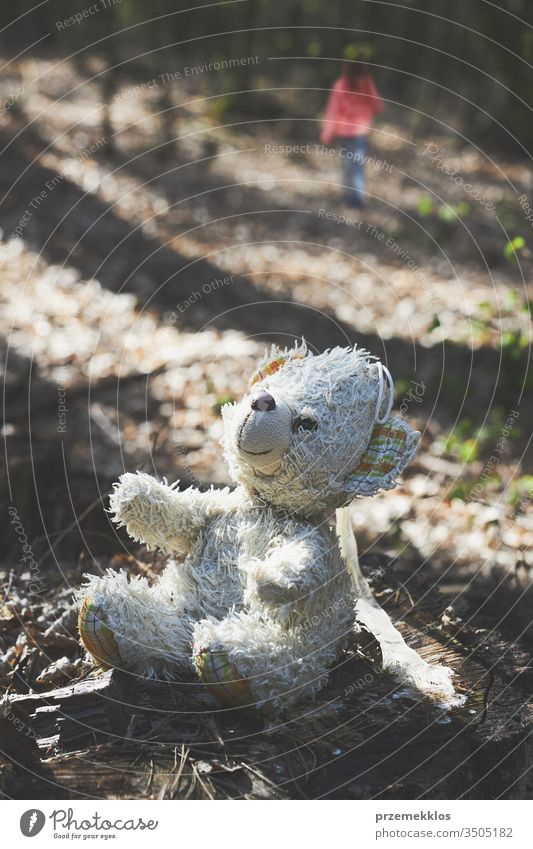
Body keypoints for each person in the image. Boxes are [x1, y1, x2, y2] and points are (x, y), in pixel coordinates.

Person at [320, 61, 383, 208]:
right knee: (358, 166)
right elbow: (377, 105)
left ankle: (349, 198)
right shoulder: (367, 84)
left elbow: (333, 111)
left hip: (345, 132)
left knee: (347, 165)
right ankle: (357, 200)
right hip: (360, 131)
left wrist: (327, 133)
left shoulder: (340, 85)